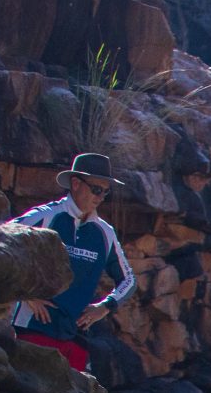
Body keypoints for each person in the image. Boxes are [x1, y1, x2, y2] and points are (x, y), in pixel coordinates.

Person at [9, 154, 136, 374]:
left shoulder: (105, 233)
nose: (101, 197)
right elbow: (1, 246)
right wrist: (25, 294)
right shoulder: (44, 218)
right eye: (97, 189)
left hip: (76, 336)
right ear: (76, 183)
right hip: (32, 328)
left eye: (106, 192)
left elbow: (129, 281)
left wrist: (104, 308)